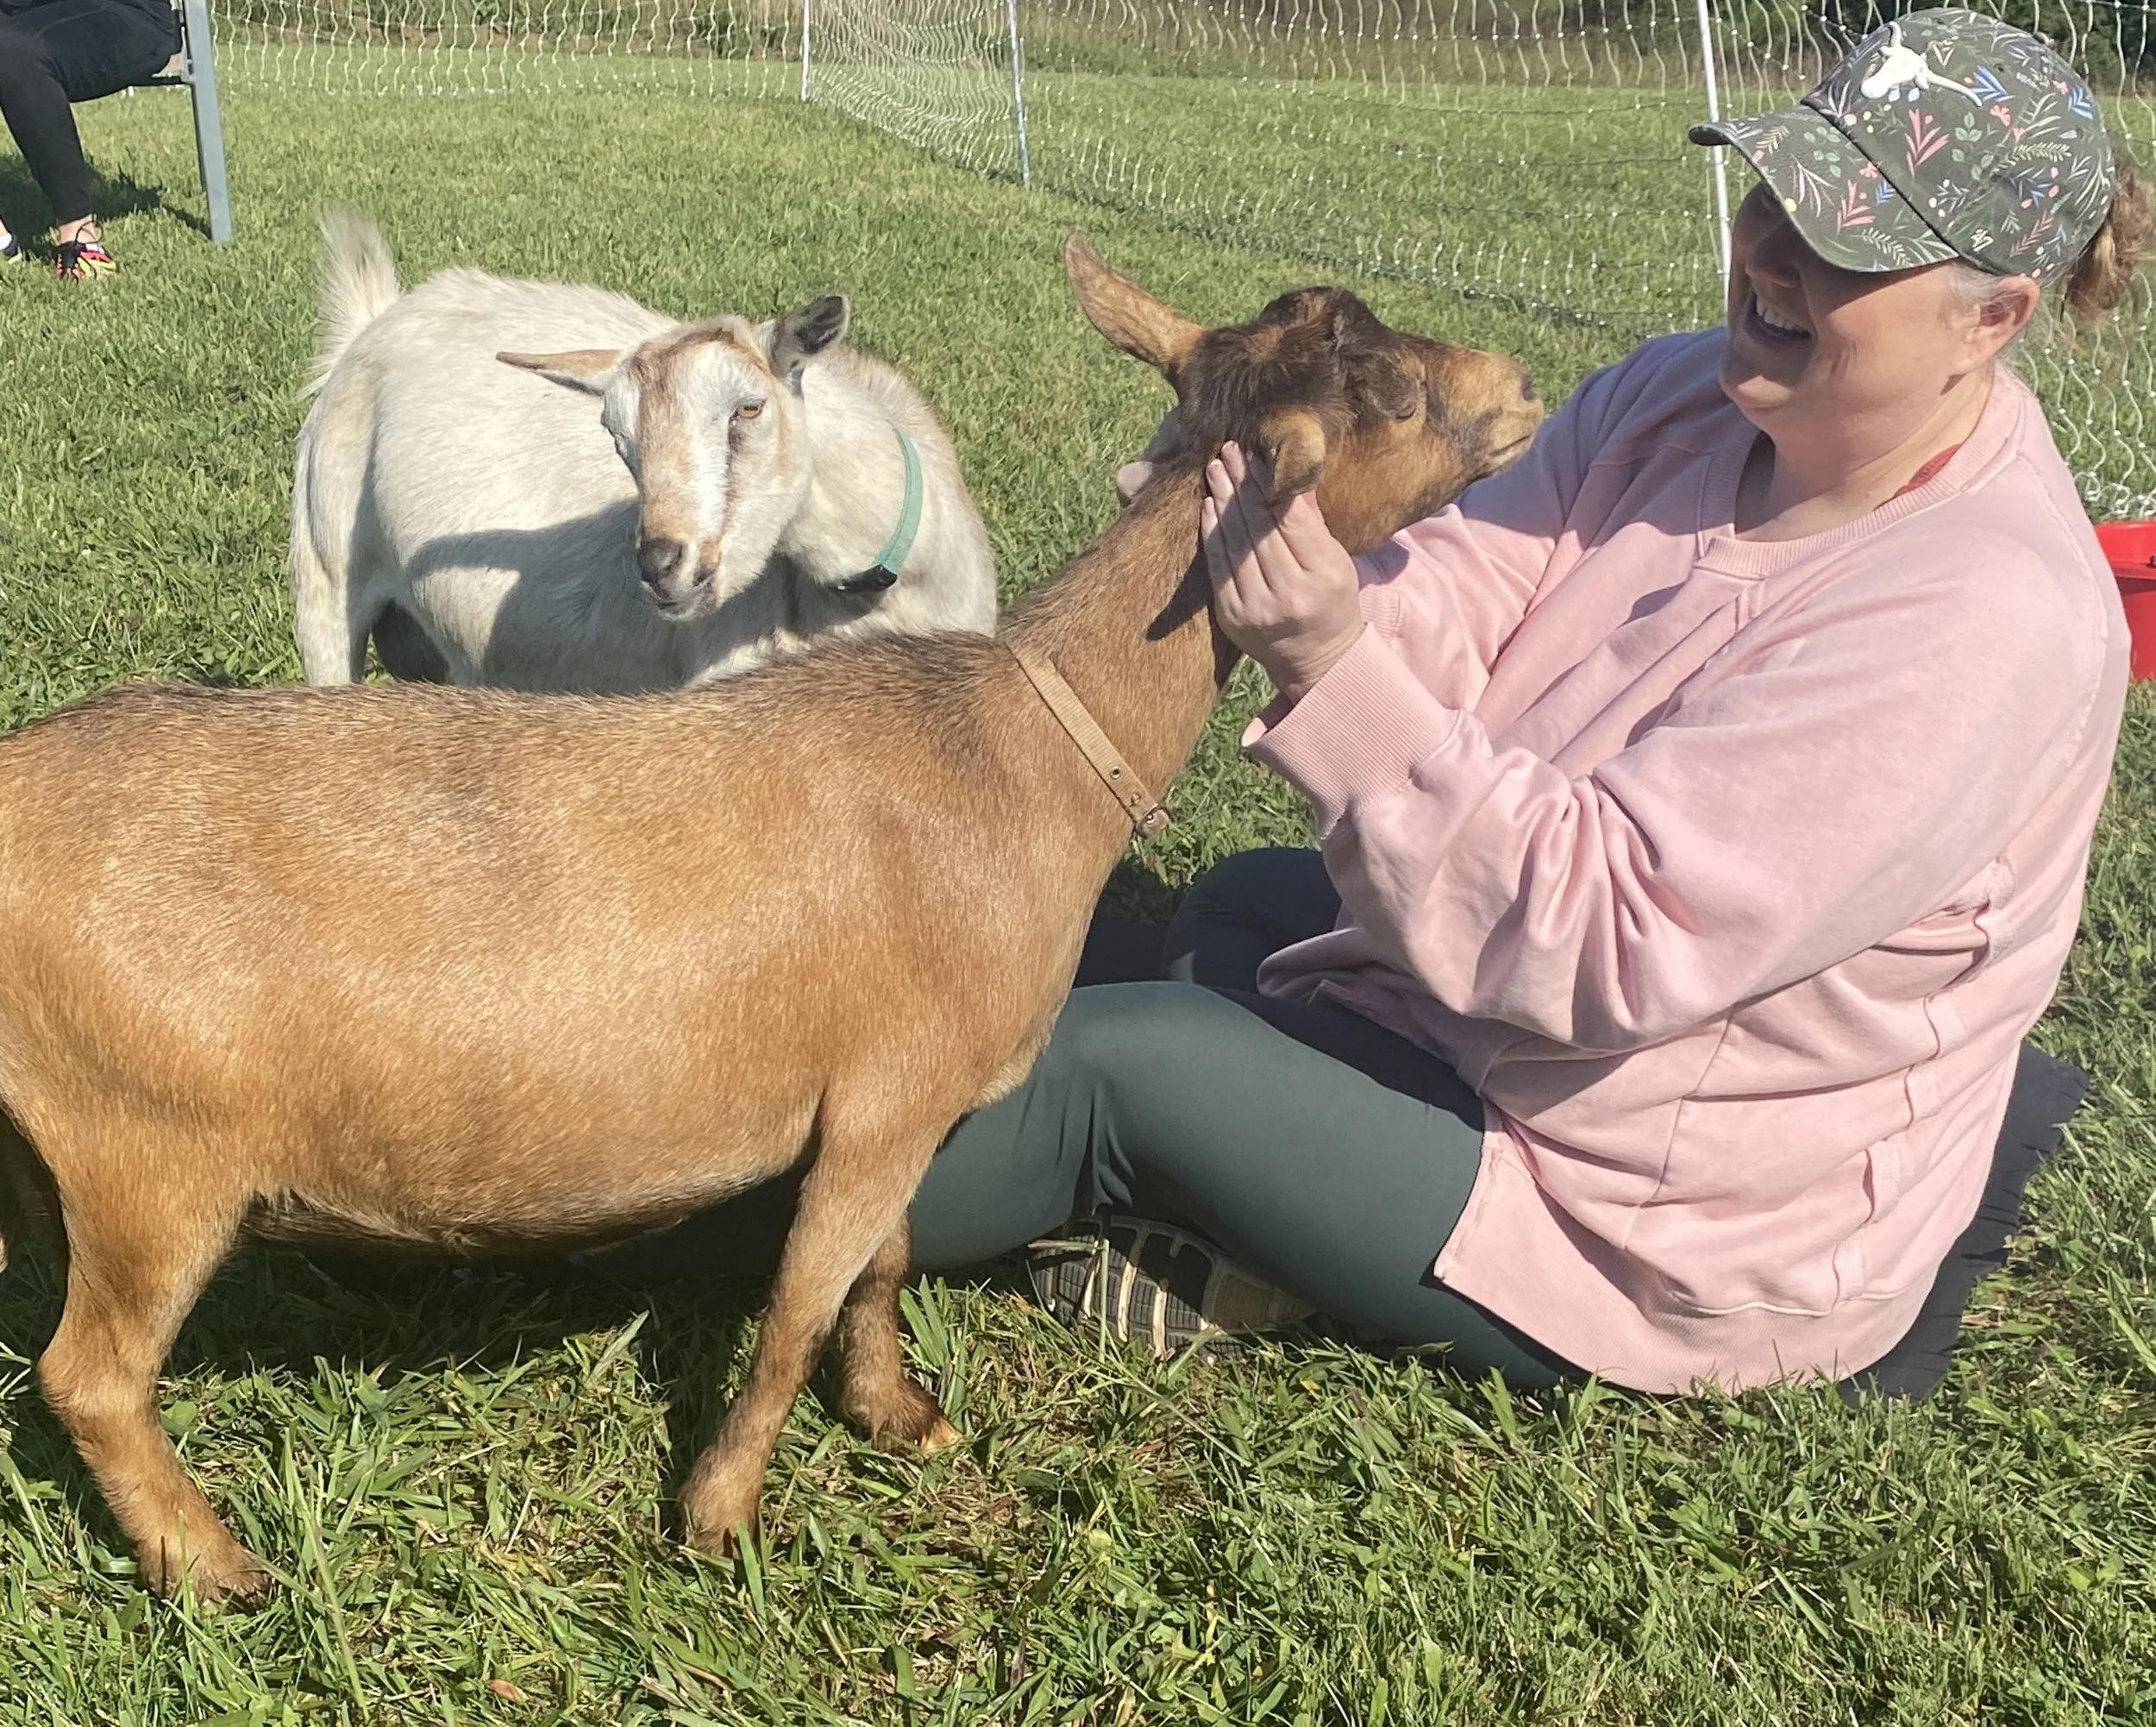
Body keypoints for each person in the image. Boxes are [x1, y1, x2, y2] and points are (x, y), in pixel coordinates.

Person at [592, 9, 2145, 1395]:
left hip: (1648, 1207)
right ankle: (1234, 1210)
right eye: (1774, 198)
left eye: (1854, 248)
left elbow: (1598, 936)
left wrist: (1333, 670)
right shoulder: (1681, 394)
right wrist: (1265, 564)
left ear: (1994, 318)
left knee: (1110, 1063)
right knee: (1217, 918)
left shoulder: (1976, 618)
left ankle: (616, 1182)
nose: (1776, 259)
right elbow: (1467, 576)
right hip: (1511, 1024)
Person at [0, 0, 179, 279]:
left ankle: (81, 240)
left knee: (13, 52)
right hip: (31, 13)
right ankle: (3, 243)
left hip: (127, 14)